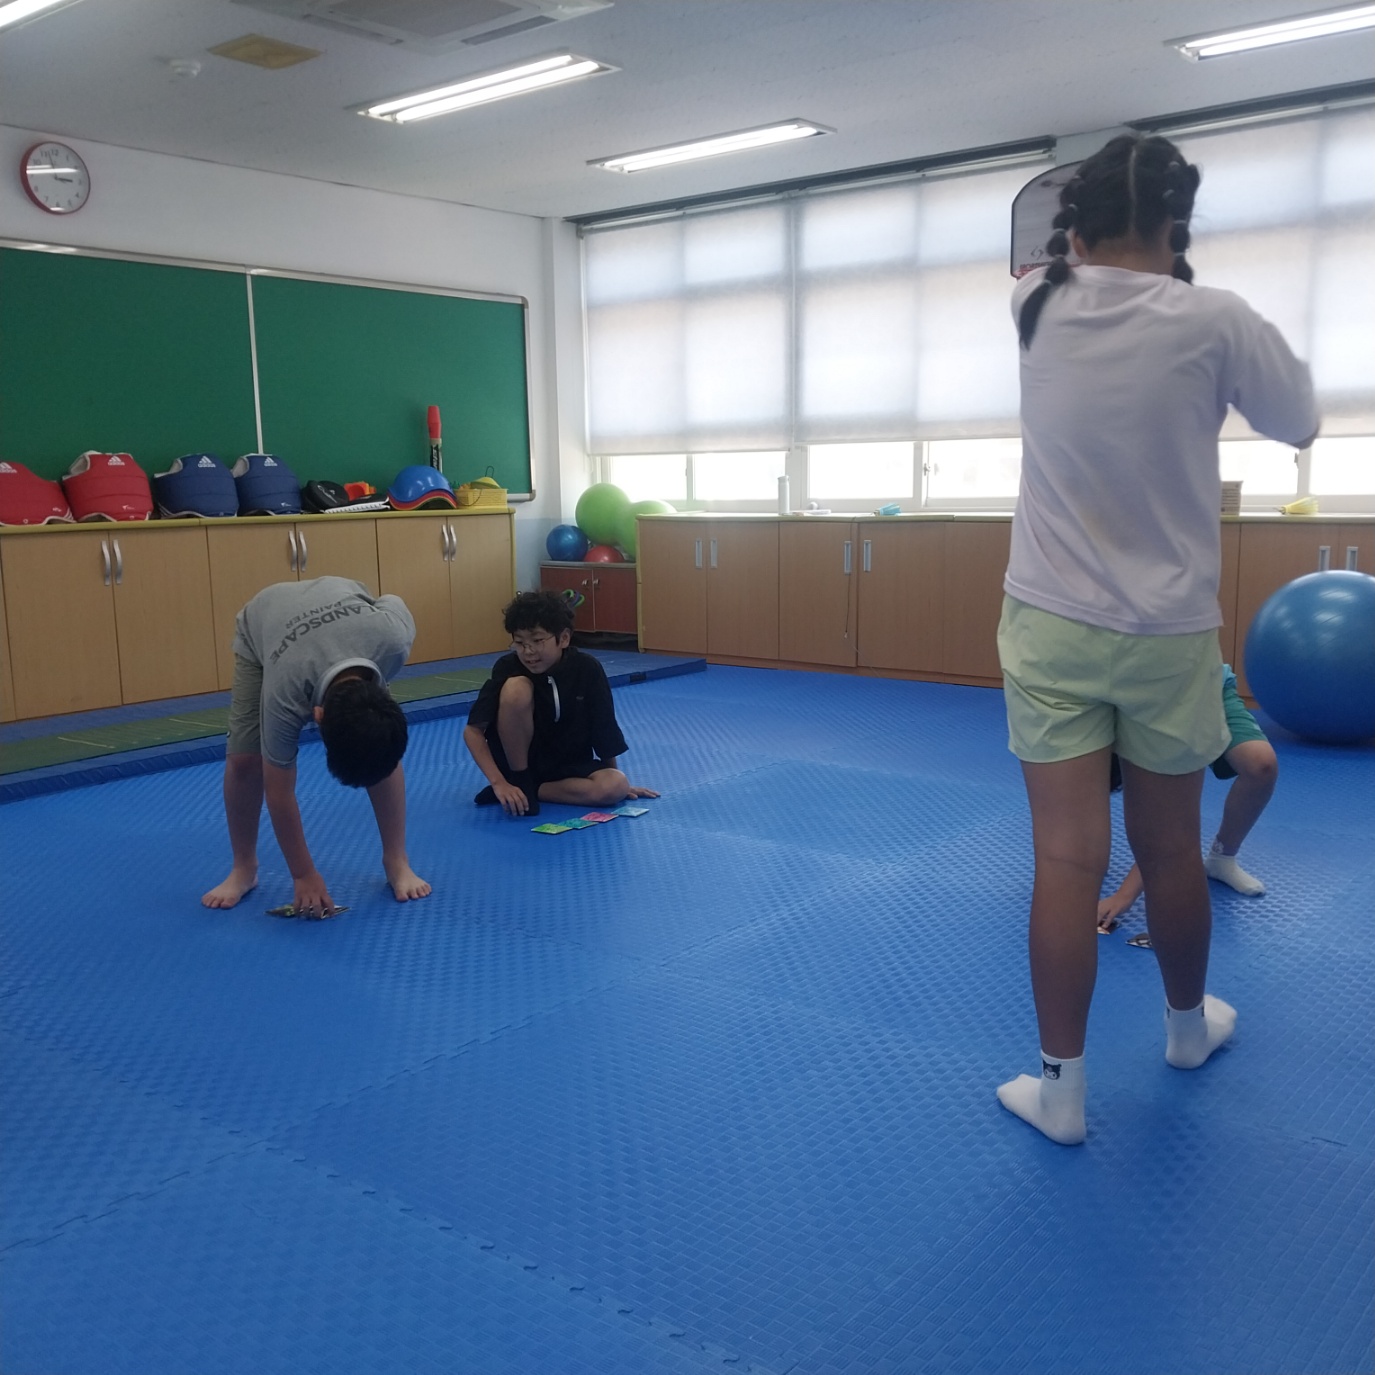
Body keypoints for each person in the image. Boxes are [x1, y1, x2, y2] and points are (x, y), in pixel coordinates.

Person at [995, 134, 1318, 1145]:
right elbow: (1300, 420)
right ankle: (1186, 1030)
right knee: (1171, 849)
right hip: (1167, 632)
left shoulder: (1032, 304)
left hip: (1049, 622)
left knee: (1064, 859)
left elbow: (1062, 273)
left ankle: (1059, 1091)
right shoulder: (1214, 318)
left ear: (1074, 228)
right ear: (1177, 229)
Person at [201, 576, 431, 915]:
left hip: (341, 599)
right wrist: (303, 875)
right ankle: (244, 868)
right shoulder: (285, 692)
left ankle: (397, 860)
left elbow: (391, 598)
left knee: (377, 742)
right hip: (266, 619)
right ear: (317, 716)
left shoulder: (393, 639)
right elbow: (279, 792)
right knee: (245, 759)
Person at [1098, 666, 1278, 932]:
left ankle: (1221, 858)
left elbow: (1171, 819)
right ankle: (1091, 857)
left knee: (1260, 765)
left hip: (1197, 687)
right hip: (1127, 692)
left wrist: (1125, 895)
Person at [463, 590, 657, 816]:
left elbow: (604, 729)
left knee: (615, 785)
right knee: (516, 688)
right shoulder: (508, 667)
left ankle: (530, 790)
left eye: (537, 641)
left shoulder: (587, 669)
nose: (528, 651)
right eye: (519, 642)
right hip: (519, 766)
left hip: (568, 769)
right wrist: (499, 783)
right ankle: (520, 781)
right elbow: (473, 731)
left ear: (563, 638)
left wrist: (617, 785)